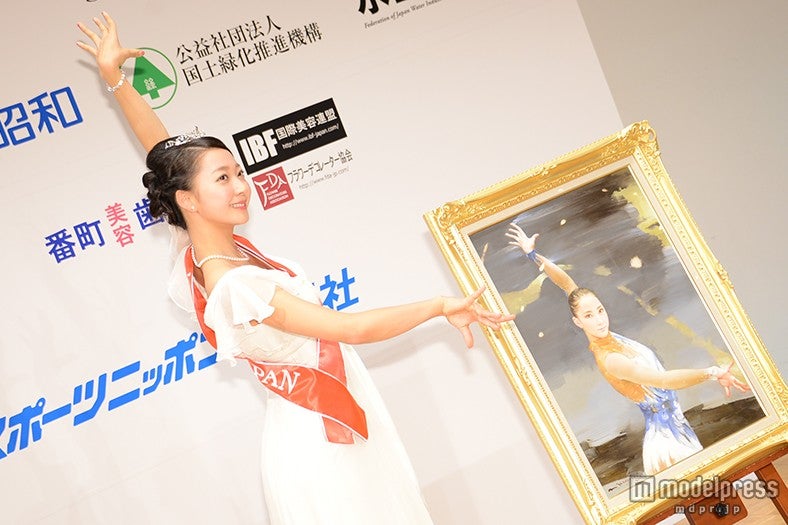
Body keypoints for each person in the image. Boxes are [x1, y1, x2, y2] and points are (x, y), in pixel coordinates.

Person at [76, 12, 514, 525]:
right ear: (188, 200)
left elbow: (162, 151)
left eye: (239, 172)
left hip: (334, 424)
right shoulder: (234, 284)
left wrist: (115, 79)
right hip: (321, 445)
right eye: (223, 178)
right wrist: (439, 305)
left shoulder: (200, 249)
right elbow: (351, 329)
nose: (242, 187)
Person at [505, 223, 749, 475]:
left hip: (678, 429)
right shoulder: (611, 359)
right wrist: (712, 372)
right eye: (588, 316)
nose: (599, 319)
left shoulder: (611, 339)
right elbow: (664, 381)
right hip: (668, 444)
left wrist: (533, 254)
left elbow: (566, 283)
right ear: (578, 322)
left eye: (600, 310)